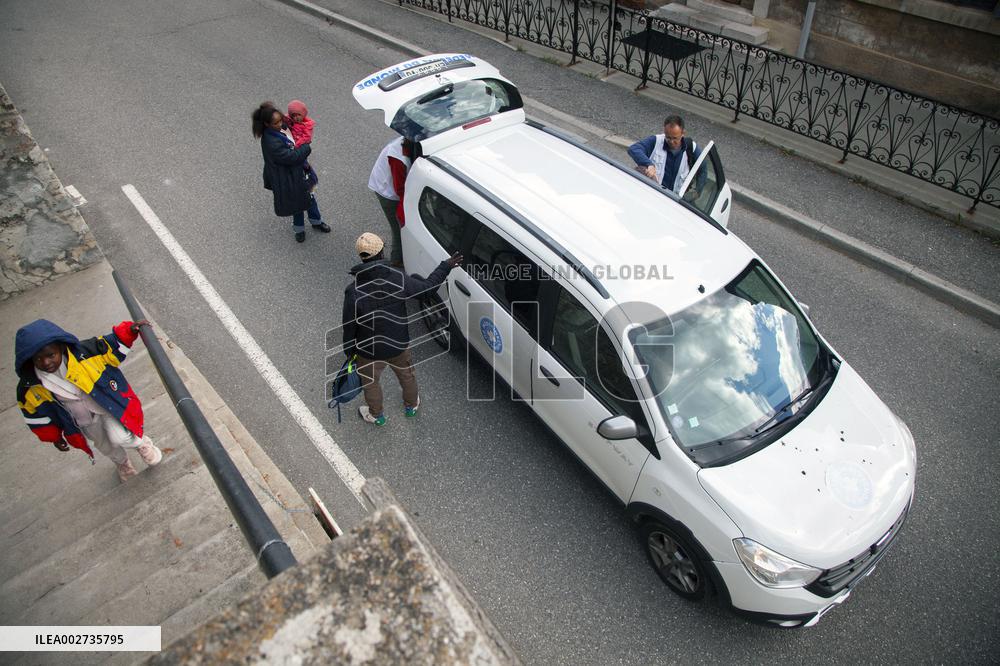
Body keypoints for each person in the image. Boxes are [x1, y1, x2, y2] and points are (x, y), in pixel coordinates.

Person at [15, 318, 163, 483]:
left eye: (51, 355)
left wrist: (129, 331)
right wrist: (54, 436)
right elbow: (35, 414)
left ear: (61, 347)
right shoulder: (30, 386)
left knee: (120, 437)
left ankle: (141, 443)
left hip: (107, 408)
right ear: (29, 359)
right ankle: (122, 463)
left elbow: (110, 345)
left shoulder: (85, 353)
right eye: (38, 359)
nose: (46, 362)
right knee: (105, 446)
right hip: (84, 421)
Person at [341, 232, 462, 426]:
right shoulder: (397, 278)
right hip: (398, 344)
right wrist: (445, 266)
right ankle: (411, 406)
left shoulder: (353, 291)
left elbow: (349, 326)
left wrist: (350, 352)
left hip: (368, 351)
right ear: (381, 253)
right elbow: (427, 289)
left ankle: (377, 415)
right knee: (407, 376)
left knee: (370, 383)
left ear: (361, 257)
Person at [251, 101, 330, 243]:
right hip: (289, 178)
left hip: (299, 172)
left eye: (280, 119)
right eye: (276, 122)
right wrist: (306, 146)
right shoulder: (271, 142)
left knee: (310, 197)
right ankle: (299, 230)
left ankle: (316, 221)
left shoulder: (280, 128)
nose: (281, 124)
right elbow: (292, 157)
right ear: (267, 124)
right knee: (297, 205)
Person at [367, 136, 415, 265]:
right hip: (387, 194)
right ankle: (396, 260)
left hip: (390, 186)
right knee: (398, 229)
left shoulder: (407, 141)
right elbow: (400, 189)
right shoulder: (398, 158)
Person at [628, 115, 701, 194]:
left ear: (683, 133)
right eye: (668, 137)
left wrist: (698, 191)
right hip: (652, 193)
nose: (671, 141)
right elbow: (634, 149)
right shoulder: (656, 141)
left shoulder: (691, 148)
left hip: (674, 198)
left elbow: (702, 169)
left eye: (675, 138)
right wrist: (649, 164)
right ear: (664, 131)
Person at [284, 99, 318, 192]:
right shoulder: (289, 120)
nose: (296, 118)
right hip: (292, 145)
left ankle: (310, 179)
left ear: (303, 114)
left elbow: (306, 138)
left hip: (300, 147)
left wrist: (296, 145)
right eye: (293, 115)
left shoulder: (307, 125)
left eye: (298, 115)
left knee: (302, 163)